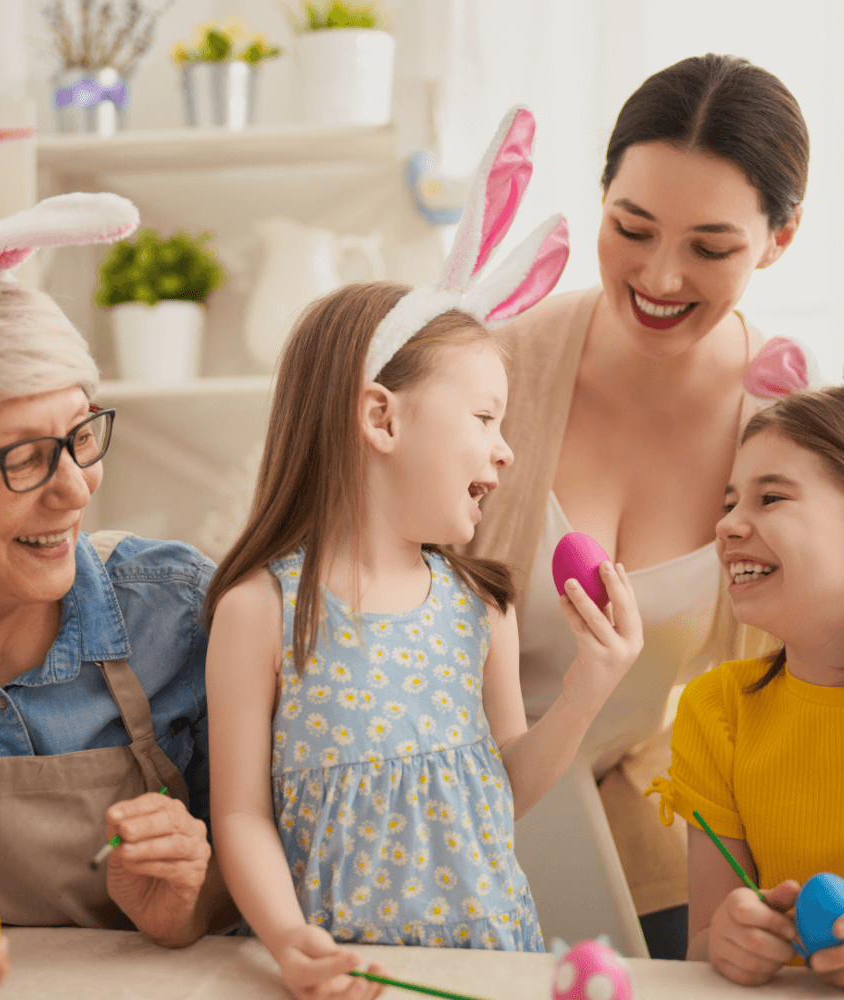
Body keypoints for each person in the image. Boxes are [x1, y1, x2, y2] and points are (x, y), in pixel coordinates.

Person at [204, 106, 643, 1000]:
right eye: (484, 418)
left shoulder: (483, 606)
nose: (506, 449)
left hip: (492, 966)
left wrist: (591, 689)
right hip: (347, 980)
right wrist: (289, 942)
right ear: (380, 416)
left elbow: (502, 784)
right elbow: (241, 813)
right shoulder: (262, 609)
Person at [0, 137, 234, 1000]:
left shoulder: (181, 617)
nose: (75, 490)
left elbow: (276, 885)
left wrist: (194, 900)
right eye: (23, 457)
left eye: (82, 434)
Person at [465, 53, 809, 959]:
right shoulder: (488, 366)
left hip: (635, 841)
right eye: (633, 227)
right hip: (442, 820)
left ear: (778, 239)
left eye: (710, 246)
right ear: (602, 198)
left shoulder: (786, 426)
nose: (660, 277)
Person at [645, 386, 844, 988]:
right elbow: (704, 942)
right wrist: (723, 942)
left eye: (772, 497)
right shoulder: (716, 711)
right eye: (730, 502)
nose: (728, 525)